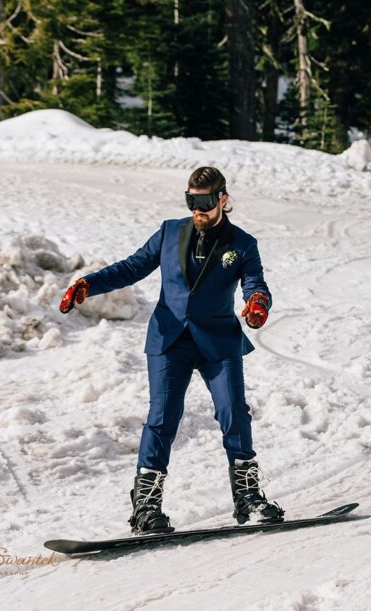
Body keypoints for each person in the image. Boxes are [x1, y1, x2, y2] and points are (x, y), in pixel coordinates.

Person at [58, 166, 284, 535]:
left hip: (217, 341)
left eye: (206, 202)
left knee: (234, 413)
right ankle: (146, 507)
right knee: (162, 417)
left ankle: (248, 498)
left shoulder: (242, 243)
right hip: (169, 340)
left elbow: (254, 282)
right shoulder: (169, 232)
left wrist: (258, 301)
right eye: (191, 201)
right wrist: (88, 284)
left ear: (223, 201)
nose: (198, 209)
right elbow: (132, 267)